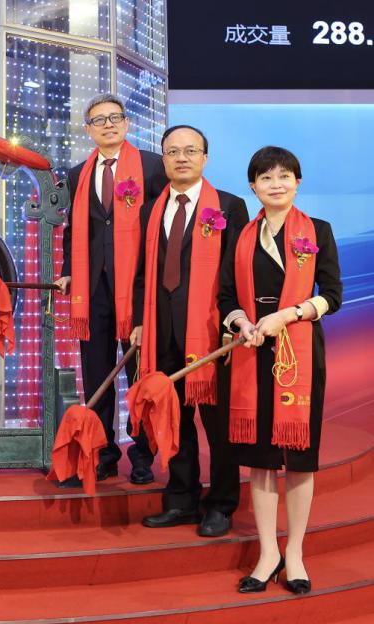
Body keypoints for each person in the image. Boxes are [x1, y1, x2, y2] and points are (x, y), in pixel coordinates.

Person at [220, 146, 341, 594]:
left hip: (300, 352)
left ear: (297, 182)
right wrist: (242, 324)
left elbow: (333, 294)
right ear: (253, 186)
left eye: (284, 176)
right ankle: (268, 552)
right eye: (266, 177)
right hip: (253, 351)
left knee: (299, 459)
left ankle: (295, 554)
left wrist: (288, 315)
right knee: (263, 460)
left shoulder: (318, 230)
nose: (276, 184)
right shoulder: (240, 236)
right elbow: (225, 296)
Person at [131, 125, 248, 537]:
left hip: (212, 334)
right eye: (173, 151)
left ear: (204, 158)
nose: (181, 158)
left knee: (218, 427)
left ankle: (221, 504)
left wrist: (234, 323)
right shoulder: (149, 210)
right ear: (163, 159)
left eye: (190, 151)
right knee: (173, 419)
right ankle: (181, 500)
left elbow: (238, 274)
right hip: (161, 332)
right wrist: (140, 322)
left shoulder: (229, 207)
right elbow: (142, 273)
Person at [56, 93, 168, 485]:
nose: (108, 125)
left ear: (127, 123)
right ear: (88, 130)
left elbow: (162, 225)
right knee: (96, 374)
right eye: (99, 120)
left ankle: (142, 454)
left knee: (140, 372)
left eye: (114, 117)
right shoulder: (77, 174)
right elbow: (73, 230)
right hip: (93, 289)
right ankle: (104, 452)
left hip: (137, 287)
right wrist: (68, 271)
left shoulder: (152, 166)